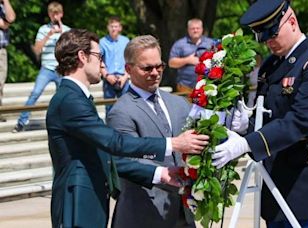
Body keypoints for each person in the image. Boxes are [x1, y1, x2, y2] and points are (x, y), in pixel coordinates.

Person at [46, 29, 209, 228]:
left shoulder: (75, 98)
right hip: (79, 201)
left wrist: (162, 173)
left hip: (89, 200)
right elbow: (114, 143)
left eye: (159, 66)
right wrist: (173, 144)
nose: (103, 64)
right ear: (82, 56)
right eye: (99, 56)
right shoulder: (70, 100)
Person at [211, 0, 308, 227]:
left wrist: (248, 144)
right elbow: (268, 116)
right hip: (274, 173)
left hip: (305, 177)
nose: (268, 42)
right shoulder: (271, 66)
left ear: (292, 21)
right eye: (263, 37)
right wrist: (246, 125)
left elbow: (300, 120)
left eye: (272, 34)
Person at [108, 35, 194, 228]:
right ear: (128, 69)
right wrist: (164, 173)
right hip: (144, 215)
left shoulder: (179, 103)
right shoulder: (121, 111)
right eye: (147, 68)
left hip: (184, 213)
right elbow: (127, 160)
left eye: (159, 66)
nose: (155, 73)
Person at [13, 1, 70, 132]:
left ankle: (63, 124)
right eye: (52, 14)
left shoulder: (67, 30)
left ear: (61, 14)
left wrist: (61, 34)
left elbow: (70, 49)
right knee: (35, 93)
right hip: (47, 68)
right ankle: (21, 121)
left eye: (57, 14)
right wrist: (48, 35)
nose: (55, 16)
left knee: (64, 97)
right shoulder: (43, 29)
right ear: (49, 14)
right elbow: (37, 50)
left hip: (62, 69)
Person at [169, 18, 214, 94]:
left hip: (207, 86)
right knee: (186, 106)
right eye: (192, 28)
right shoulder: (179, 44)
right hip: (185, 87)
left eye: (197, 28)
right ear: (188, 30)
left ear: (202, 29)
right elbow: (171, 63)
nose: (195, 30)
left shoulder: (211, 43)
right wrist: (187, 60)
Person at [100, 16, 130, 116]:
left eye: (116, 26)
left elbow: (130, 60)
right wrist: (107, 75)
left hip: (123, 78)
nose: (114, 29)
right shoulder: (102, 42)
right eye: (111, 26)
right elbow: (99, 61)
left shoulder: (126, 41)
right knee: (109, 109)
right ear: (108, 27)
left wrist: (125, 77)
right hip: (109, 78)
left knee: (127, 107)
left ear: (120, 28)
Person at [0, 0, 15, 122]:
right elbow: (4, 24)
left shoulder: (2, 7)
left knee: (0, 81)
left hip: (1, 50)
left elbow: (10, 18)